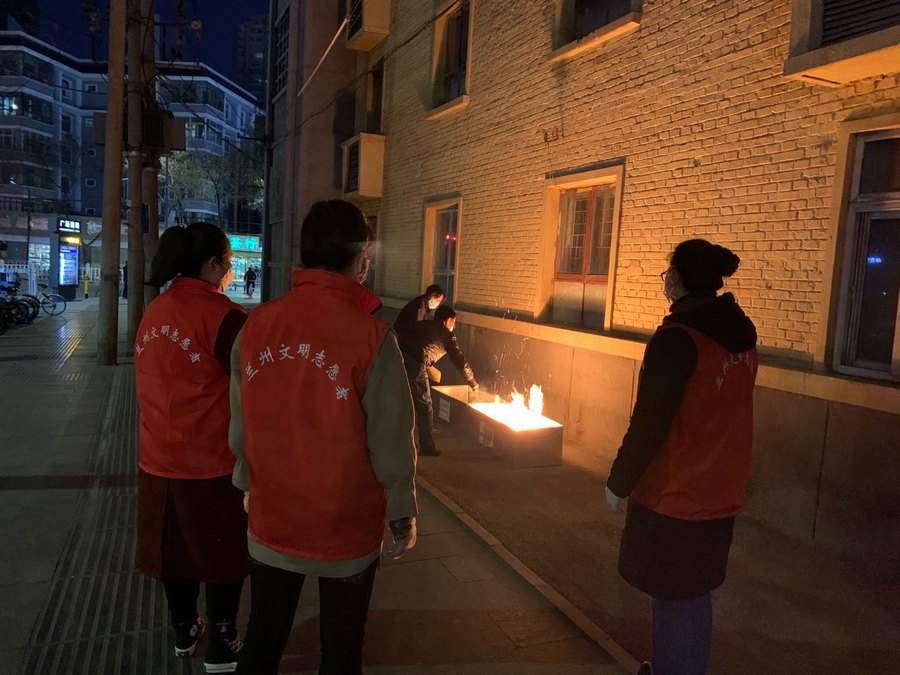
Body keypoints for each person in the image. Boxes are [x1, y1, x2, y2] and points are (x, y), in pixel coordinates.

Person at [230, 199, 418, 675]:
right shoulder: (374, 338)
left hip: (272, 513)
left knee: (262, 639)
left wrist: (246, 478)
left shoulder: (256, 326)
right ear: (362, 260)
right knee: (341, 651)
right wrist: (401, 508)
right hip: (345, 525)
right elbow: (391, 439)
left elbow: (241, 421)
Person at [604, 239, 757, 675]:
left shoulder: (678, 339)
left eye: (668, 272)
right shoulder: (741, 336)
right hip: (722, 491)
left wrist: (619, 482)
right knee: (696, 594)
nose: (665, 280)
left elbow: (649, 422)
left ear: (679, 278)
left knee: (670, 597)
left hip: (676, 494)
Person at [134, 222, 248, 673]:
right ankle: (223, 639)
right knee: (222, 554)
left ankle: (184, 630)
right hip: (211, 463)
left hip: (157, 457)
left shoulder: (155, 310)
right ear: (214, 264)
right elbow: (253, 386)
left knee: (174, 553)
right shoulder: (225, 317)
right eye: (229, 261)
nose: (231, 269)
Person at [398, 305, 478, 456]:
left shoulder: (422, 325)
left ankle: (402, 440)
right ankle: (427, 446)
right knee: (424, 405)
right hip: (415, 363)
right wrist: (472, 382)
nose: (454, 326)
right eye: (454, 322)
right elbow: (460, 361)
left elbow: (405, 338)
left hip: (399, 358)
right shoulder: (447, 335)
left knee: (405, 400)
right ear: (447, 320)